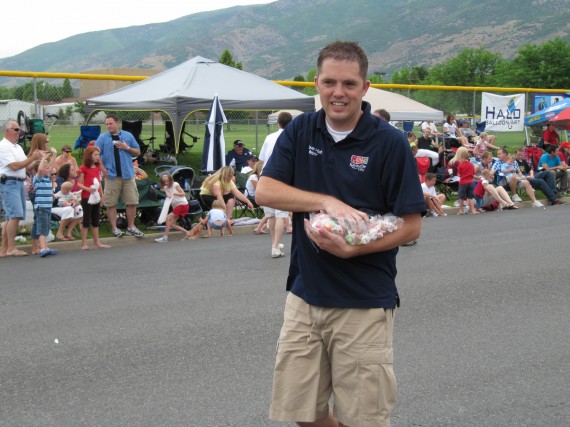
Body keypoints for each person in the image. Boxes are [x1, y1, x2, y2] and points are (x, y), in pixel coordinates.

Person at [256, 41, 425, 427]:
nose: (338, 93)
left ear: (365, 88)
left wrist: (353, 251)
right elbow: (265, 190)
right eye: (329, 82)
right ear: (316, 83)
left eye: (349, 84)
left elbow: (412, 225)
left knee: (362, 418)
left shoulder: (389, 143)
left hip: (363, 301)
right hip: (304, 296)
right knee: (303, 412)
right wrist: (327, 202)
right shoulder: (301, 129)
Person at [95, 113, 144, 238]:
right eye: (107, 124)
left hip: (128, 174)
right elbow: (95, 154)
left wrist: (127, 147)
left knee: (132, 201)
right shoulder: (102, 138)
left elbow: (137, 151)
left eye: (111, 123)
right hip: (112, 176)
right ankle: (114, 228)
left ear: (118, 123)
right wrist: (103, 169)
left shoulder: (127, 136)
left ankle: (131, 227)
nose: (108, 126)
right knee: (111, 203)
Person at [0, 121, 45, 258]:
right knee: (15, 215)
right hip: (9, 182)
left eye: (19, 130)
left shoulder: (17, 147)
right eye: (16, 129)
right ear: (7, 131)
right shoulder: (3, 146)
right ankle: (11, 248)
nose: (19, 132)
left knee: (11, 217)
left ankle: (4, 249)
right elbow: (14, 166)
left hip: (19, 182)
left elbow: (26, 166)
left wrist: (39, 159)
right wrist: (32, 157)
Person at [259, 111, 294, 258]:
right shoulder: (291, 137)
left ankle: (274, 243)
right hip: (282, 177)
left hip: (267, 176)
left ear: (278, 123)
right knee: (281, 214)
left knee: (271, 214)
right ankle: (275, 246)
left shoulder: (269, 137)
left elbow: (261, 158)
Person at [77, 146, 110, 250]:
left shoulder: (97, 168)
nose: (97, 157)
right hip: (87, 197)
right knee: (86, 219)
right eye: (95, 155)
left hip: (96, 196)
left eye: (98, 155)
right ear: (89, 156)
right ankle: (84, 243)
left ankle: (97, 242)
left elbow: (99, 182)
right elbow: (79, 184)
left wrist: (102, 195)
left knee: (96, 220)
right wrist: (88, 189)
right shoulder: (83, 168)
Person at [32, 151, 59, 257]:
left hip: (47, 207)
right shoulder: (38, 179)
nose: (49, 169)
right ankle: (43, 248)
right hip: (41, 207)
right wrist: (43, 158)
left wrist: (54, 155)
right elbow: (40, 169)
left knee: (46, 227)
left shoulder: (47, 179)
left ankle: (44, 247)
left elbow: (51, 166)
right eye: (46, 168)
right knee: (43, 228)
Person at [154, 173, 190, 243]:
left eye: (167, 181)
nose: (166, 183)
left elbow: (183, 193)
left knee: (168, 218)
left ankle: (165, 237)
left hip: (182, 204)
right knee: (172, 224)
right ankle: (188, 233)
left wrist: (174, 193)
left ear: (170, 180)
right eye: (164, 182)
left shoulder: (175, 184)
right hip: (177, 206)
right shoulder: (165, 188)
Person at [456, 148, 478, 215]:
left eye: (460, 158)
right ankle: (473, 210)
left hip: (463, 182)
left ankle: (461, 210)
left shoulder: (461, 165)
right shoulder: (471, 165)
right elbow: (473, 174)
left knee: (461, 197)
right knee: (470, 197)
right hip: (470, 182)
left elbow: (459, 174)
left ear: (463, 158)